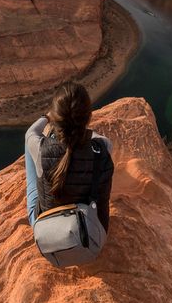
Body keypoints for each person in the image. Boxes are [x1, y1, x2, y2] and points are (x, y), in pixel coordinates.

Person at [25, 81, 114, 230]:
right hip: (92, 237)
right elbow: (98, 140)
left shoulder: (41, 149)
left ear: (56, 117)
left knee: (30, 145)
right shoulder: (104, 147)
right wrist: (83, 131)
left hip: (47, 235)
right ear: (89, 116)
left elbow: (30, 133)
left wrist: (47, 117)